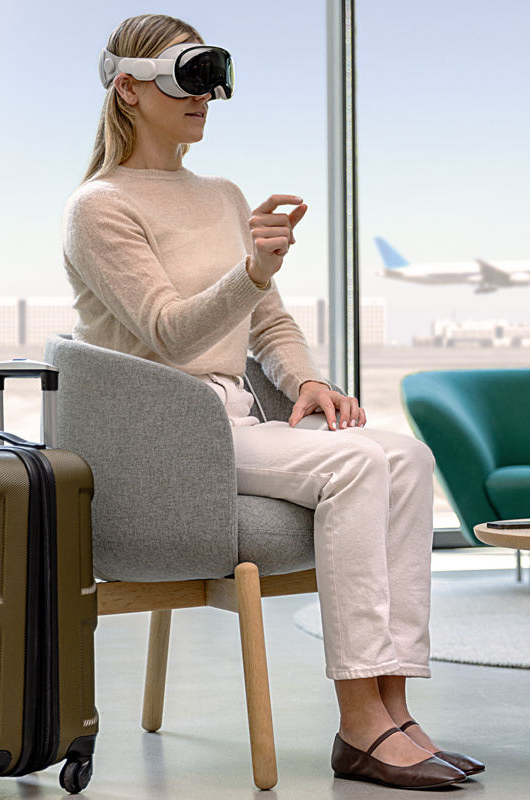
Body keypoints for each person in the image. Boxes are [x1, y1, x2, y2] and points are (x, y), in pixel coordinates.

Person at [63, 14, 483, 790]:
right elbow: (169, 332)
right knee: (357, 469)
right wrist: (251, 268)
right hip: (165, 437)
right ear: (128, 89)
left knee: (406, 455)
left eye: (215, 80)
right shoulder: (100, 207)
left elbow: (269, 320)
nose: (208, 98)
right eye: (189, 79)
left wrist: (306, 382)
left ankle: (395, 707)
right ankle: (359, 723)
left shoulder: (223, 194)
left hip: (233, 419)